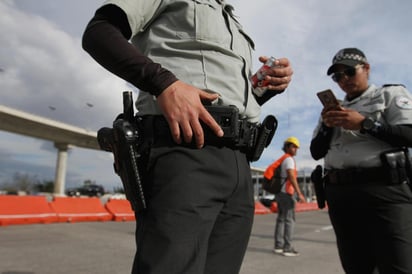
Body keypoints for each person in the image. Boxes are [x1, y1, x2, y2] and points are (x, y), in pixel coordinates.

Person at [82, 1, 293, 274]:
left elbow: (227, 96)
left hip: (240, 163)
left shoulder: (233, 20)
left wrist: (266, 87)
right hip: (186, 149)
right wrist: (164, 84)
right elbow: (99, 32)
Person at [310, 47, 412, 273]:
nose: (343, 79)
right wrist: (327, 126)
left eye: (349, 71)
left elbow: (409, 134)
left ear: (366, 68)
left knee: (399, 266)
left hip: (385, 191)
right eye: (337, 76)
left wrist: (366, 124)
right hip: (341, 195)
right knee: (356, 266)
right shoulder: (332, 109)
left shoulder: (390, 95)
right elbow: (316, 152)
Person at [269, 136, 305, 257]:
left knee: (281, 219)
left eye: (296, 147)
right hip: (286, 194)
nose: (295, 149)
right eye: (293, 146)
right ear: (287, 147)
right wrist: (299, 193)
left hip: (280, 193)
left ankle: (278, 245)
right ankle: (287, 248)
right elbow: (291, 176)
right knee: (289, 220)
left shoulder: (282, 159)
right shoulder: (289, 160)